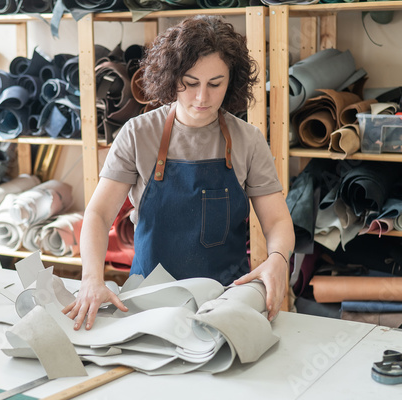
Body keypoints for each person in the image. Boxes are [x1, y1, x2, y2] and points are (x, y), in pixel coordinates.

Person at [63, 15, 295, 330]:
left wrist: (278, 259)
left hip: (224, 300)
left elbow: (278, 220)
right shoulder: (137, 134)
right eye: (190, 82)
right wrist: (91, 278)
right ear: (171, 78)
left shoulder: (248, 140)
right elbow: (99, 214)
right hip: (149, 298)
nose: (202, 97)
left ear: (232, 80)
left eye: (216, 84)